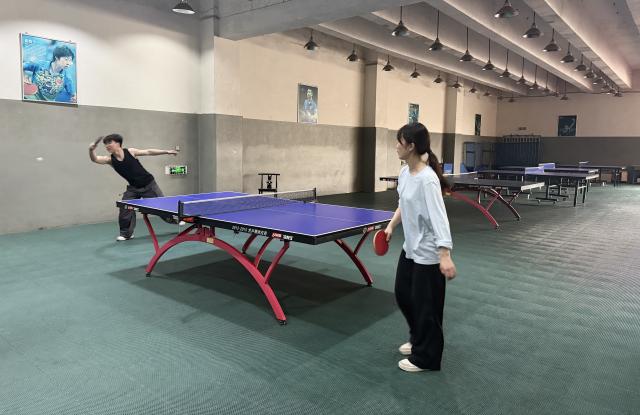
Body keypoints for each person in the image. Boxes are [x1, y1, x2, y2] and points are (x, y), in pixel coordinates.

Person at [384, 122, 457, 373]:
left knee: (427, 306)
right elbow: (403, 204)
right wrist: (391, 226)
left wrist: (444, 254)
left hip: (428, 253)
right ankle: (418, 339)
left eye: (400, 142)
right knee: (403, 294)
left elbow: (439, 218)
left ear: (411, 146)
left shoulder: (428, 180)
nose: (396, 146)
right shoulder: (405, 173)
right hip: (410, 248)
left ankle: (427, 358)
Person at [89, 134, 180, 241]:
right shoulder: (110, 159)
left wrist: (167, 151)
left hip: (149, 185)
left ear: (118, 143)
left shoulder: (130, 152)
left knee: (161, 208)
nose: (107, 146)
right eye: (105, 144)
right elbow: (95, 159)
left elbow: (148, 152)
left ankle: (177, 219)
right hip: (133, 188)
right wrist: (91, 150)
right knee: (125, 207)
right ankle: (126, 234)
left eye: (109, 143)